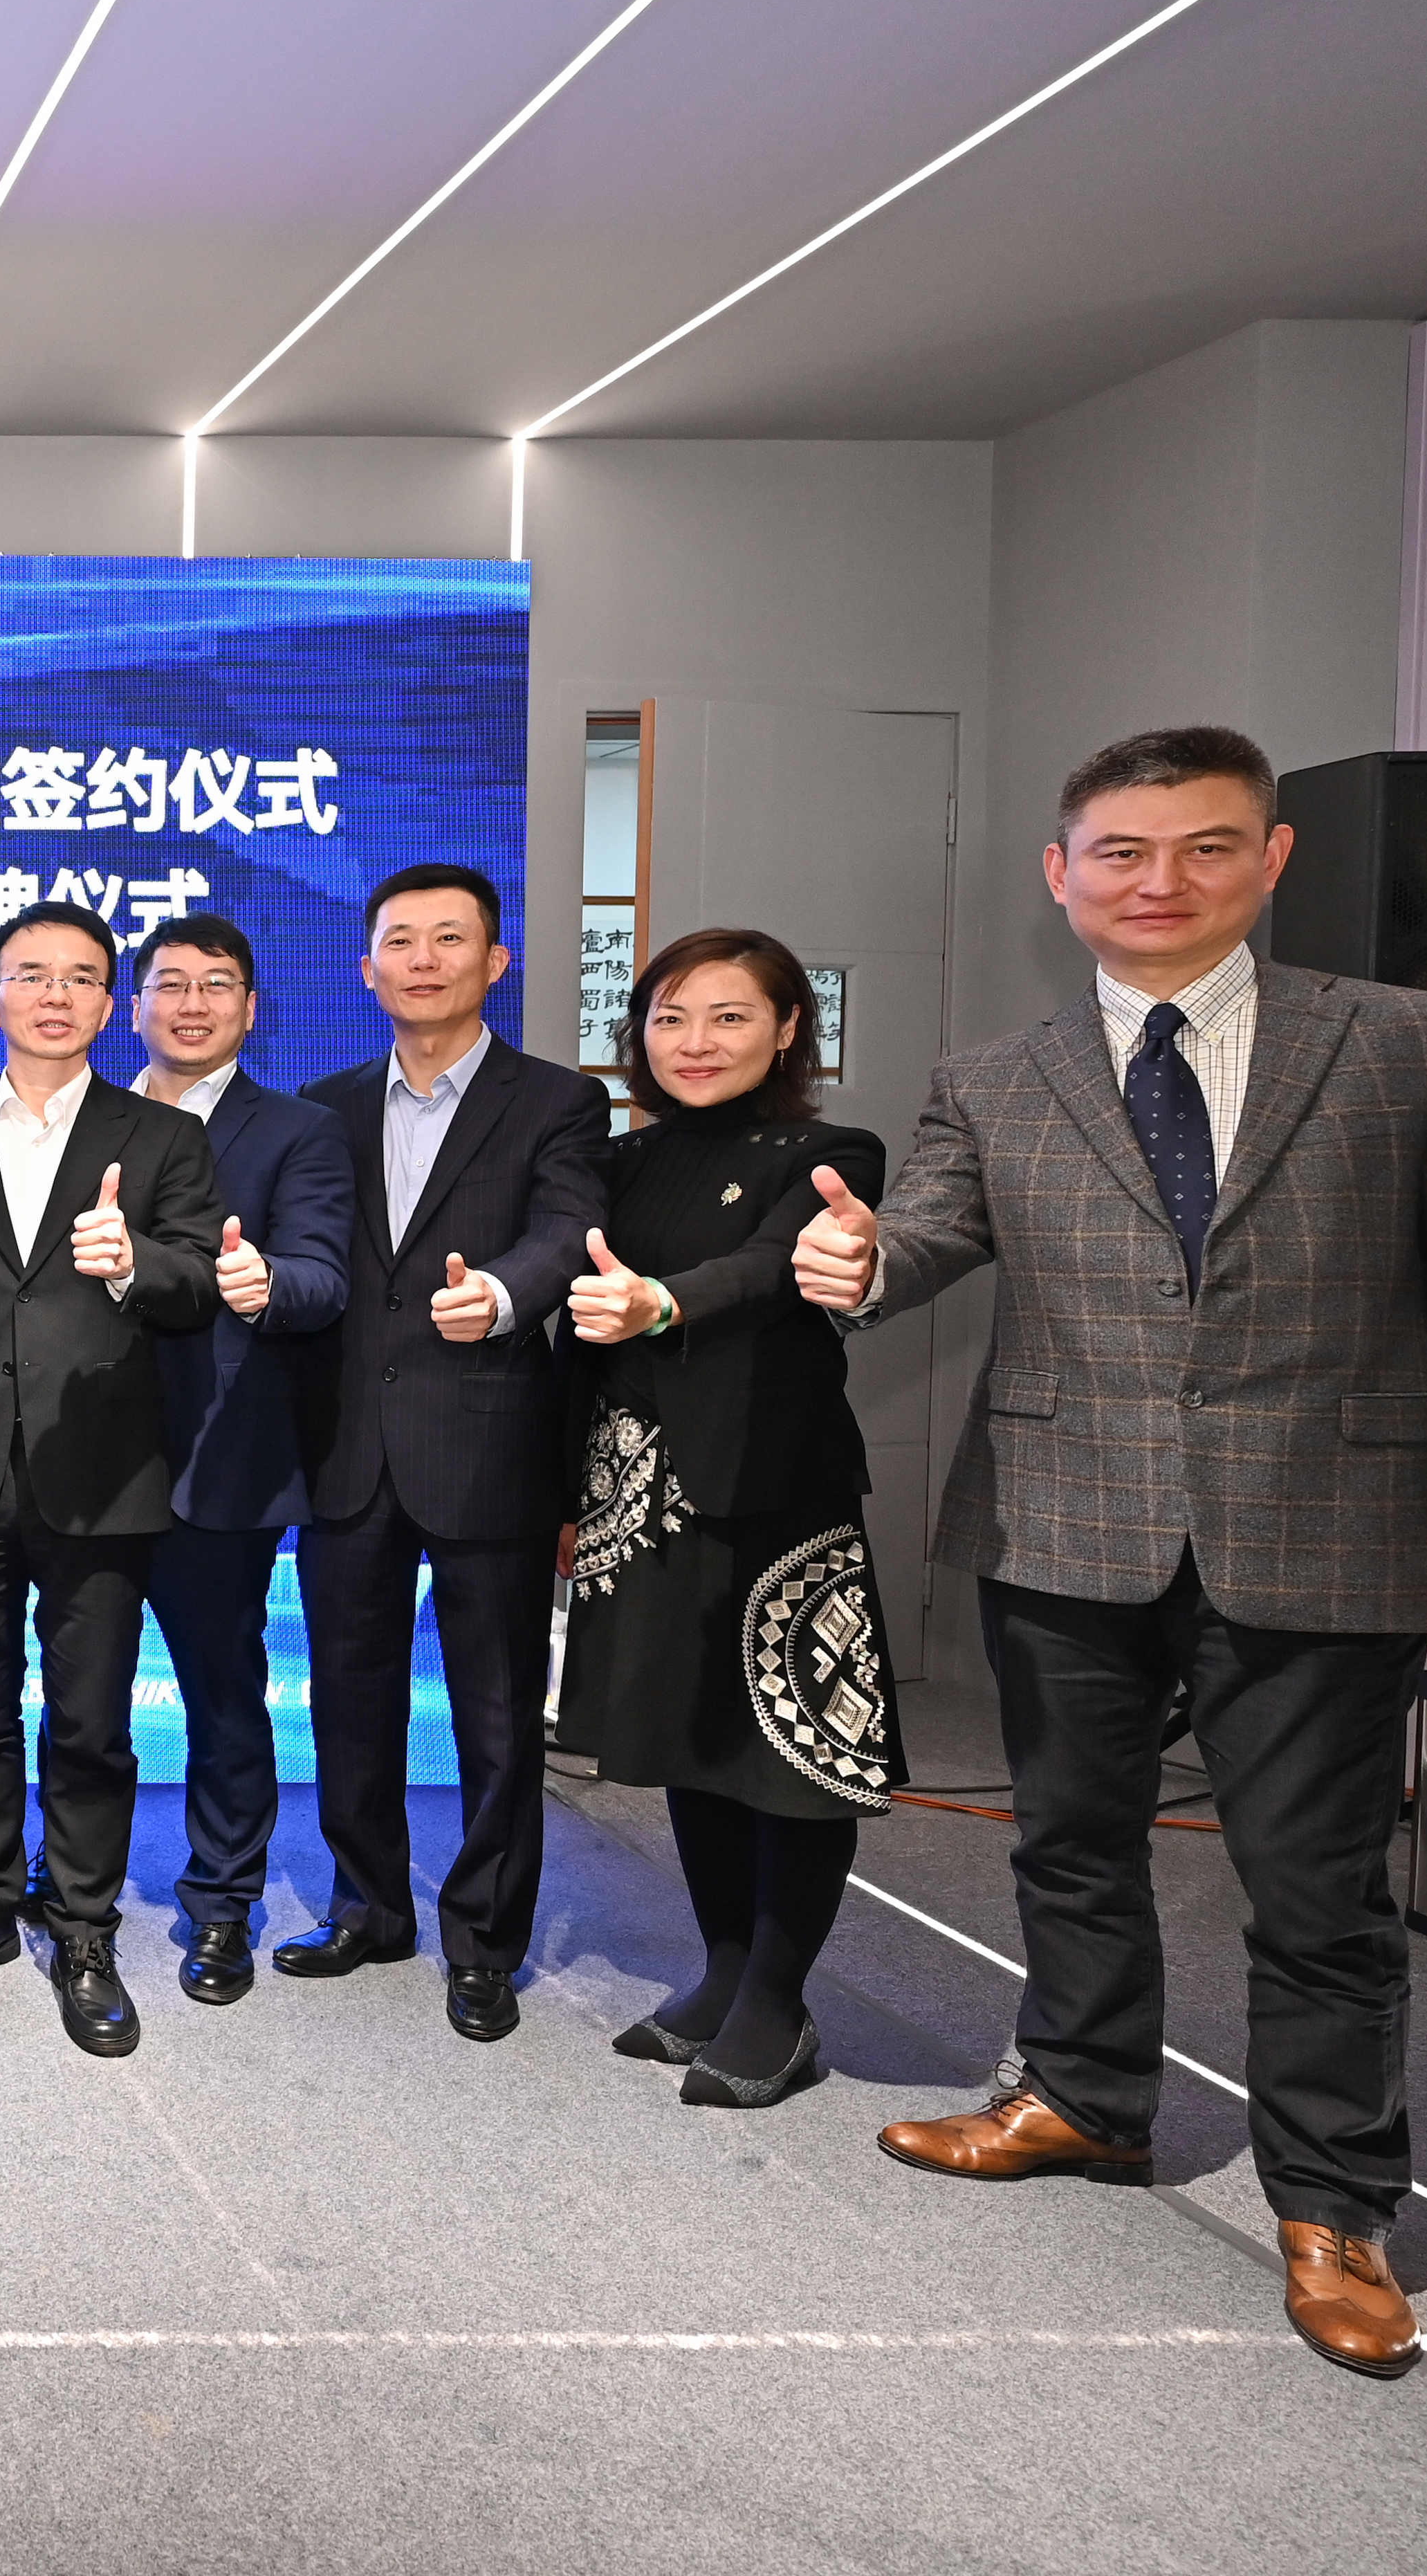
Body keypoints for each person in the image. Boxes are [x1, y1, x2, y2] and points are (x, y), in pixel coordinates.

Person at [794, 726, 1427, 2377]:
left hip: (1328, 1521)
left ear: (1271, 858)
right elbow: (932, 1232)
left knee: (1318, 1891)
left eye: (1206, 846)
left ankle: (1335, 2203)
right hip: (1063, 1520)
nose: (1160, 881)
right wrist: (862, 1262)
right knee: (1071, 1846)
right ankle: (1084, 2093)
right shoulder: (994, 1075)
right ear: (1061, 872)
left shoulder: (1419, 1042)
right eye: (1123, 852)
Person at [0, 902, 222, 2057]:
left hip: (105, 1471)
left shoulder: (162, 1136)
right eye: (31, 975)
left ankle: (81, 1927)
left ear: (109, 1005)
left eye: (80, 977)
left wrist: (133, 1266)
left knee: (91, 1722)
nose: (56, 995)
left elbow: (197, 1287)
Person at [556, 929, 895, 2108]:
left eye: (730, 1016)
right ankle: (723, 1972)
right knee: (689, 1744)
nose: (694, 1042)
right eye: (670, 1018)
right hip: (637, 1496)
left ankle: (778, 2003)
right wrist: (564, 1492)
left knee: (792, 1751)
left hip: (773, 1491)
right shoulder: (617, 1161)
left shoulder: (832, 1155)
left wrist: (659, 1302)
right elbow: (573, 1327)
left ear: (789, 1028)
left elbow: (767, 1269)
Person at [290, 866, 609, 2043]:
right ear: (367, 966)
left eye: (449, 939)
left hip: (489, 1443)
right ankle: (369, 1906)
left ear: (495, 961)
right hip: (346, 1449)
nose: (422, 961)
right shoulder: (321, 1106)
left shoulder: (558, 1101)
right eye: (400, 942)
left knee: (496, 1711)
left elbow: (568, 1231)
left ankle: (484, 1941)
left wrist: (508, 1296)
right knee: (347, 1698)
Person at [128, 913, 355, 2004]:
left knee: (223, 1693)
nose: (193, 1004)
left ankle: (222, 1902)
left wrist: (267, 1285)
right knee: (77, 1689)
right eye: (170, 984)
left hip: (220, 1456)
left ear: (251, 1008)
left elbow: (323, 1273)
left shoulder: (299, 1131)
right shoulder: (83, 1117)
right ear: (135, 1006)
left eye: (217, 985)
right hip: (82, 1459)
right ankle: (66, 1871)